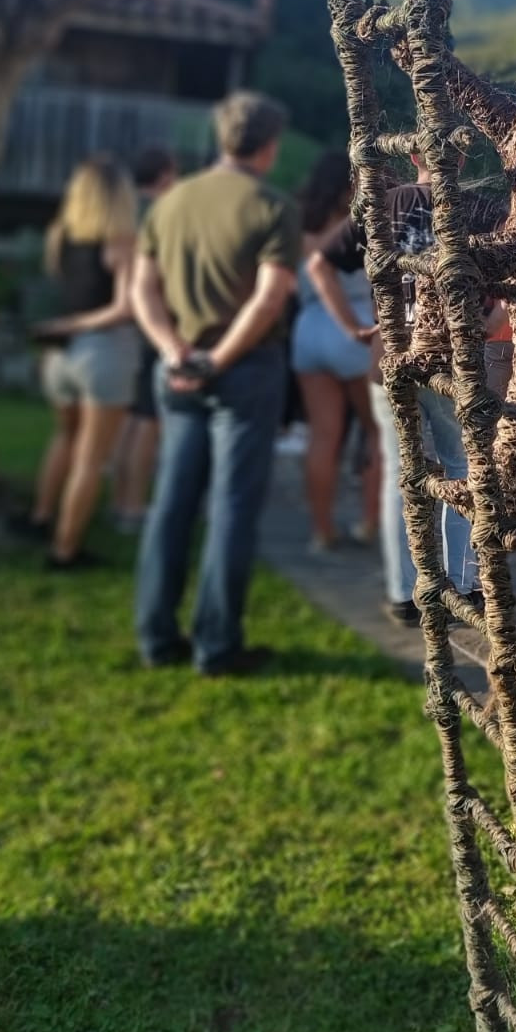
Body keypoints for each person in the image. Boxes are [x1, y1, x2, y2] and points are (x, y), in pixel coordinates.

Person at [131, 91, 300, 675]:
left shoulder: (171, 202)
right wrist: (221, 358)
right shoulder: (272, 206)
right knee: (231, 509)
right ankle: (217, 645)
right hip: (245, 369)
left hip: (175, 368)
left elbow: (142, 290)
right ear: (270, 145)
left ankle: (156, 636)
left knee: (171, 504)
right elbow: (270, 295)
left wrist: (173, 349)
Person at [308, 150, 498, 625]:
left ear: (413, 152)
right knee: (462, 469)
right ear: (462, 155)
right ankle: (461, 586)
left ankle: (403, 592)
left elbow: (319, 265)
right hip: (452, 358)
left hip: (390, 355)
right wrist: (489, 322)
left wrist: (353, 325)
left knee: (401, 472)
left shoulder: (381, 204)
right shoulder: (480, 208)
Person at [14, 155, 140, 569]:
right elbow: (124, 307)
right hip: (102, 352)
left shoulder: (60, 235)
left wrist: (65, 323)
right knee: (91, 458)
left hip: (60, 354)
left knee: (63, 437)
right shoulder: (121, 241)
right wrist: (80, 321)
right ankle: (65, 550)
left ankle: (42, 515)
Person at [292, 150, 380, 552]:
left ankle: (320, 529)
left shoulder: (300, 223)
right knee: (378, 432)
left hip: (308, 328)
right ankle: (370, 523)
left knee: (323, 436)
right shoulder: (362, 223)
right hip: (356, 327)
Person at [110, 145, 178, 533]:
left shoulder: (128, 211)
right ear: (167, 172)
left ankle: (121, 498)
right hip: (157, 320)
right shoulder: (164, 213)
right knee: (147, 420)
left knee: (133, 417)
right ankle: (134, 507)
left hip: (134, 324)